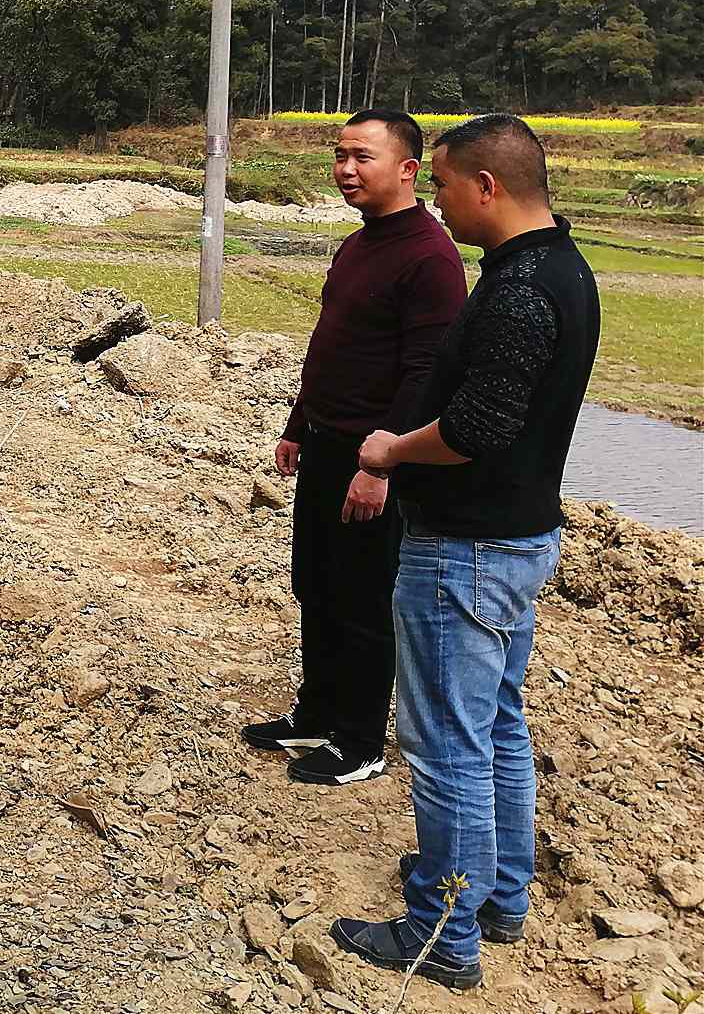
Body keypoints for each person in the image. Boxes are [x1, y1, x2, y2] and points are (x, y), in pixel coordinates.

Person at [331, 115, 600, 993]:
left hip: (468, 550)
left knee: (447, 743)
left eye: (443, 185)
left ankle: (441, 934)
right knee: (497, 726)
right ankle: (498, 899)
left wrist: (391, 450)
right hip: (519, 537)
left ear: (486, 185)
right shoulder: (562, 266)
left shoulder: (521, 291)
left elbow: (478, 429)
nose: (438, 203)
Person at [240, 109, 466, 787]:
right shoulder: (358, 245)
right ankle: (316, 714)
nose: (346, 170)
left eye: (363, 157)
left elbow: (426, 373)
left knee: (364, 600)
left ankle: (361, 740)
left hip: (375, 458)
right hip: (328, 445)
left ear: (408, 169)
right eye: (340, 156)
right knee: (317, 585)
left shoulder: (429, 256)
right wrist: (297, 423)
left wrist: (381, 463)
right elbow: (332, 346)